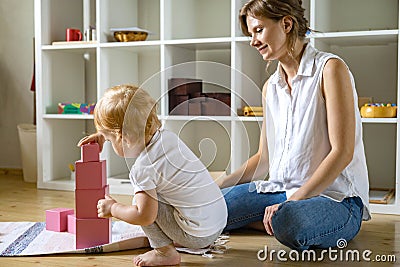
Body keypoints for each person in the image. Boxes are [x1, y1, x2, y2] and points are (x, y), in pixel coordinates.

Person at [217, 0, 370, 251]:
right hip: (281, 191)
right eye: (250, 33)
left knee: (290, 221)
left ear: (286, 24)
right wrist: (217, 186)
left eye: (258, 30)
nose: (253, 41)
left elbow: (342, 152)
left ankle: (273, 220)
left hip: (335, 199)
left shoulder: (330, 69)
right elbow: (263, 158)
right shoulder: (271, 87)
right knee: (208, 208)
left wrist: (293, 203)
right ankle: (270, 219)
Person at [78, 84, 227, 266]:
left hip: (198, 235)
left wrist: (114, 208)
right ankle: (183, 234)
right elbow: (128, 129)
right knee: (154, 193)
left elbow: (144, 216)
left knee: (140, 204)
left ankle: (164, 252)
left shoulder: (143, 169)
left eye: (109, 139)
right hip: (217, 222)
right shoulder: (168, 138)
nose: (107, 141)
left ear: (122, 138)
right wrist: (104, 134)